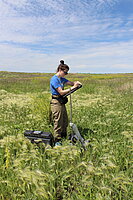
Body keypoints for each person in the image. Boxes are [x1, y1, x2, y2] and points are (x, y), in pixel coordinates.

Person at [50, 60, 81, 146]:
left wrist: (76, 83)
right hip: (56, 102)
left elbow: (71, 83)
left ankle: (63, 136)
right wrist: (73, 87)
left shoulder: (62, 79)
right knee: (58, 121)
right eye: (65, 72)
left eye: (67, 73)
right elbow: (61, 92)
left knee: (64, 120)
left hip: (61, 102)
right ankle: (57, 140)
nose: (66, 74)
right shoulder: (54, 80)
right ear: (60, 70)